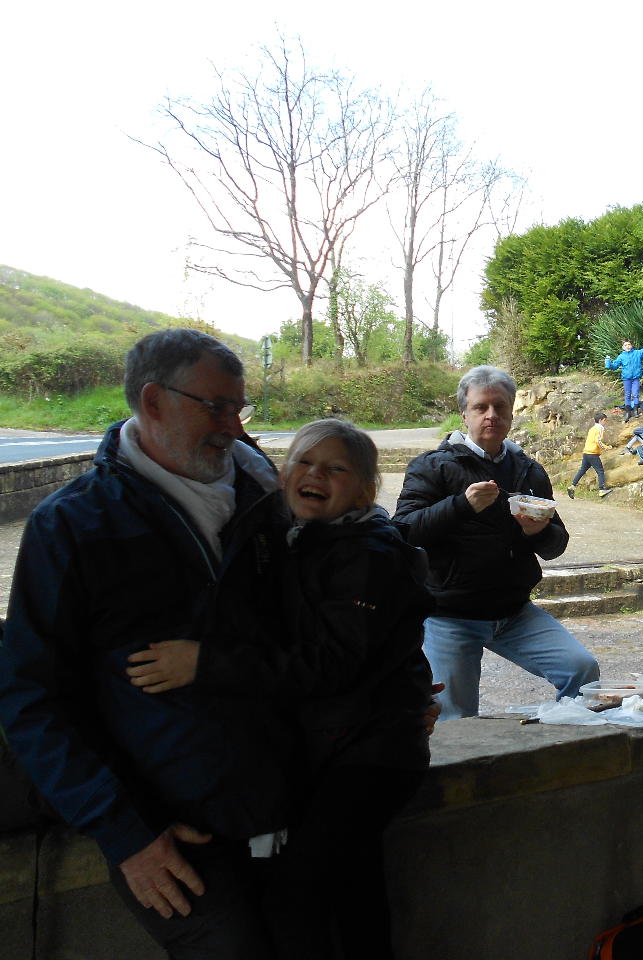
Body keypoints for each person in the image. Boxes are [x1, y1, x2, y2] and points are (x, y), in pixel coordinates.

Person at [0, 329, 295, 958]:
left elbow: (319, 624)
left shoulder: (267, 498)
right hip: (171, 829)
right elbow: (30, 696)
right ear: (154, 401)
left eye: (239, 406)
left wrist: (397, 694)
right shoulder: (73, 524)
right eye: (216, 406)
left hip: (287, 802)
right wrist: (125, 832)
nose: (234, 426)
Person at [124, 418, 436, 960]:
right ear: (283, 476)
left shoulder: (367, 553)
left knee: (297, 896)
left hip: (370, 752)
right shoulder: (306, 538)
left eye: (335, 469)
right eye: (304, 463)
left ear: (364, 491)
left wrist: (205, 664)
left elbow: (329, 663)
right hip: (343, 742)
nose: (315, 475)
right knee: (353, 889)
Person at [394, 365, 600, 720]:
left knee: (581, 671)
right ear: (465, 414)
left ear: (511, 413)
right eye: (481, 407)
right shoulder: (433, 466)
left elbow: (556, 544)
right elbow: (404, 532)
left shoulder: (529, 470)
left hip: (513, 611)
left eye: (500, 407)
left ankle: (562, 745)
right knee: (455, 720)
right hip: (450, 615)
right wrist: (461, 505)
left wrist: (538, 532)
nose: (491, 415)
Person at [605, 334, 643, 419]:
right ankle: (628, 412)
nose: (628, 346)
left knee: (635, 394)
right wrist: (608, 363)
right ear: (623, 347)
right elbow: (614, 366)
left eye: (629, 344)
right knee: (627, 395)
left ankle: (635, 411)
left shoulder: (637, 353)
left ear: (631, 345)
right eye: (625, 345)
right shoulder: (621, 356)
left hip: (635, 378)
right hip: (626, 379)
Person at [568, 412, 612, 498]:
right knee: (600, 471)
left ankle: (572, 486)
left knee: (582, 470)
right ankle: (602, 489)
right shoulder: (600, 428)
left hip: (586, 453)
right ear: (600, 420)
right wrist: (606, 447)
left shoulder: (592, 428)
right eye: (604, 420)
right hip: (593, 454)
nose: (605, 422)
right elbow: (598, 441)